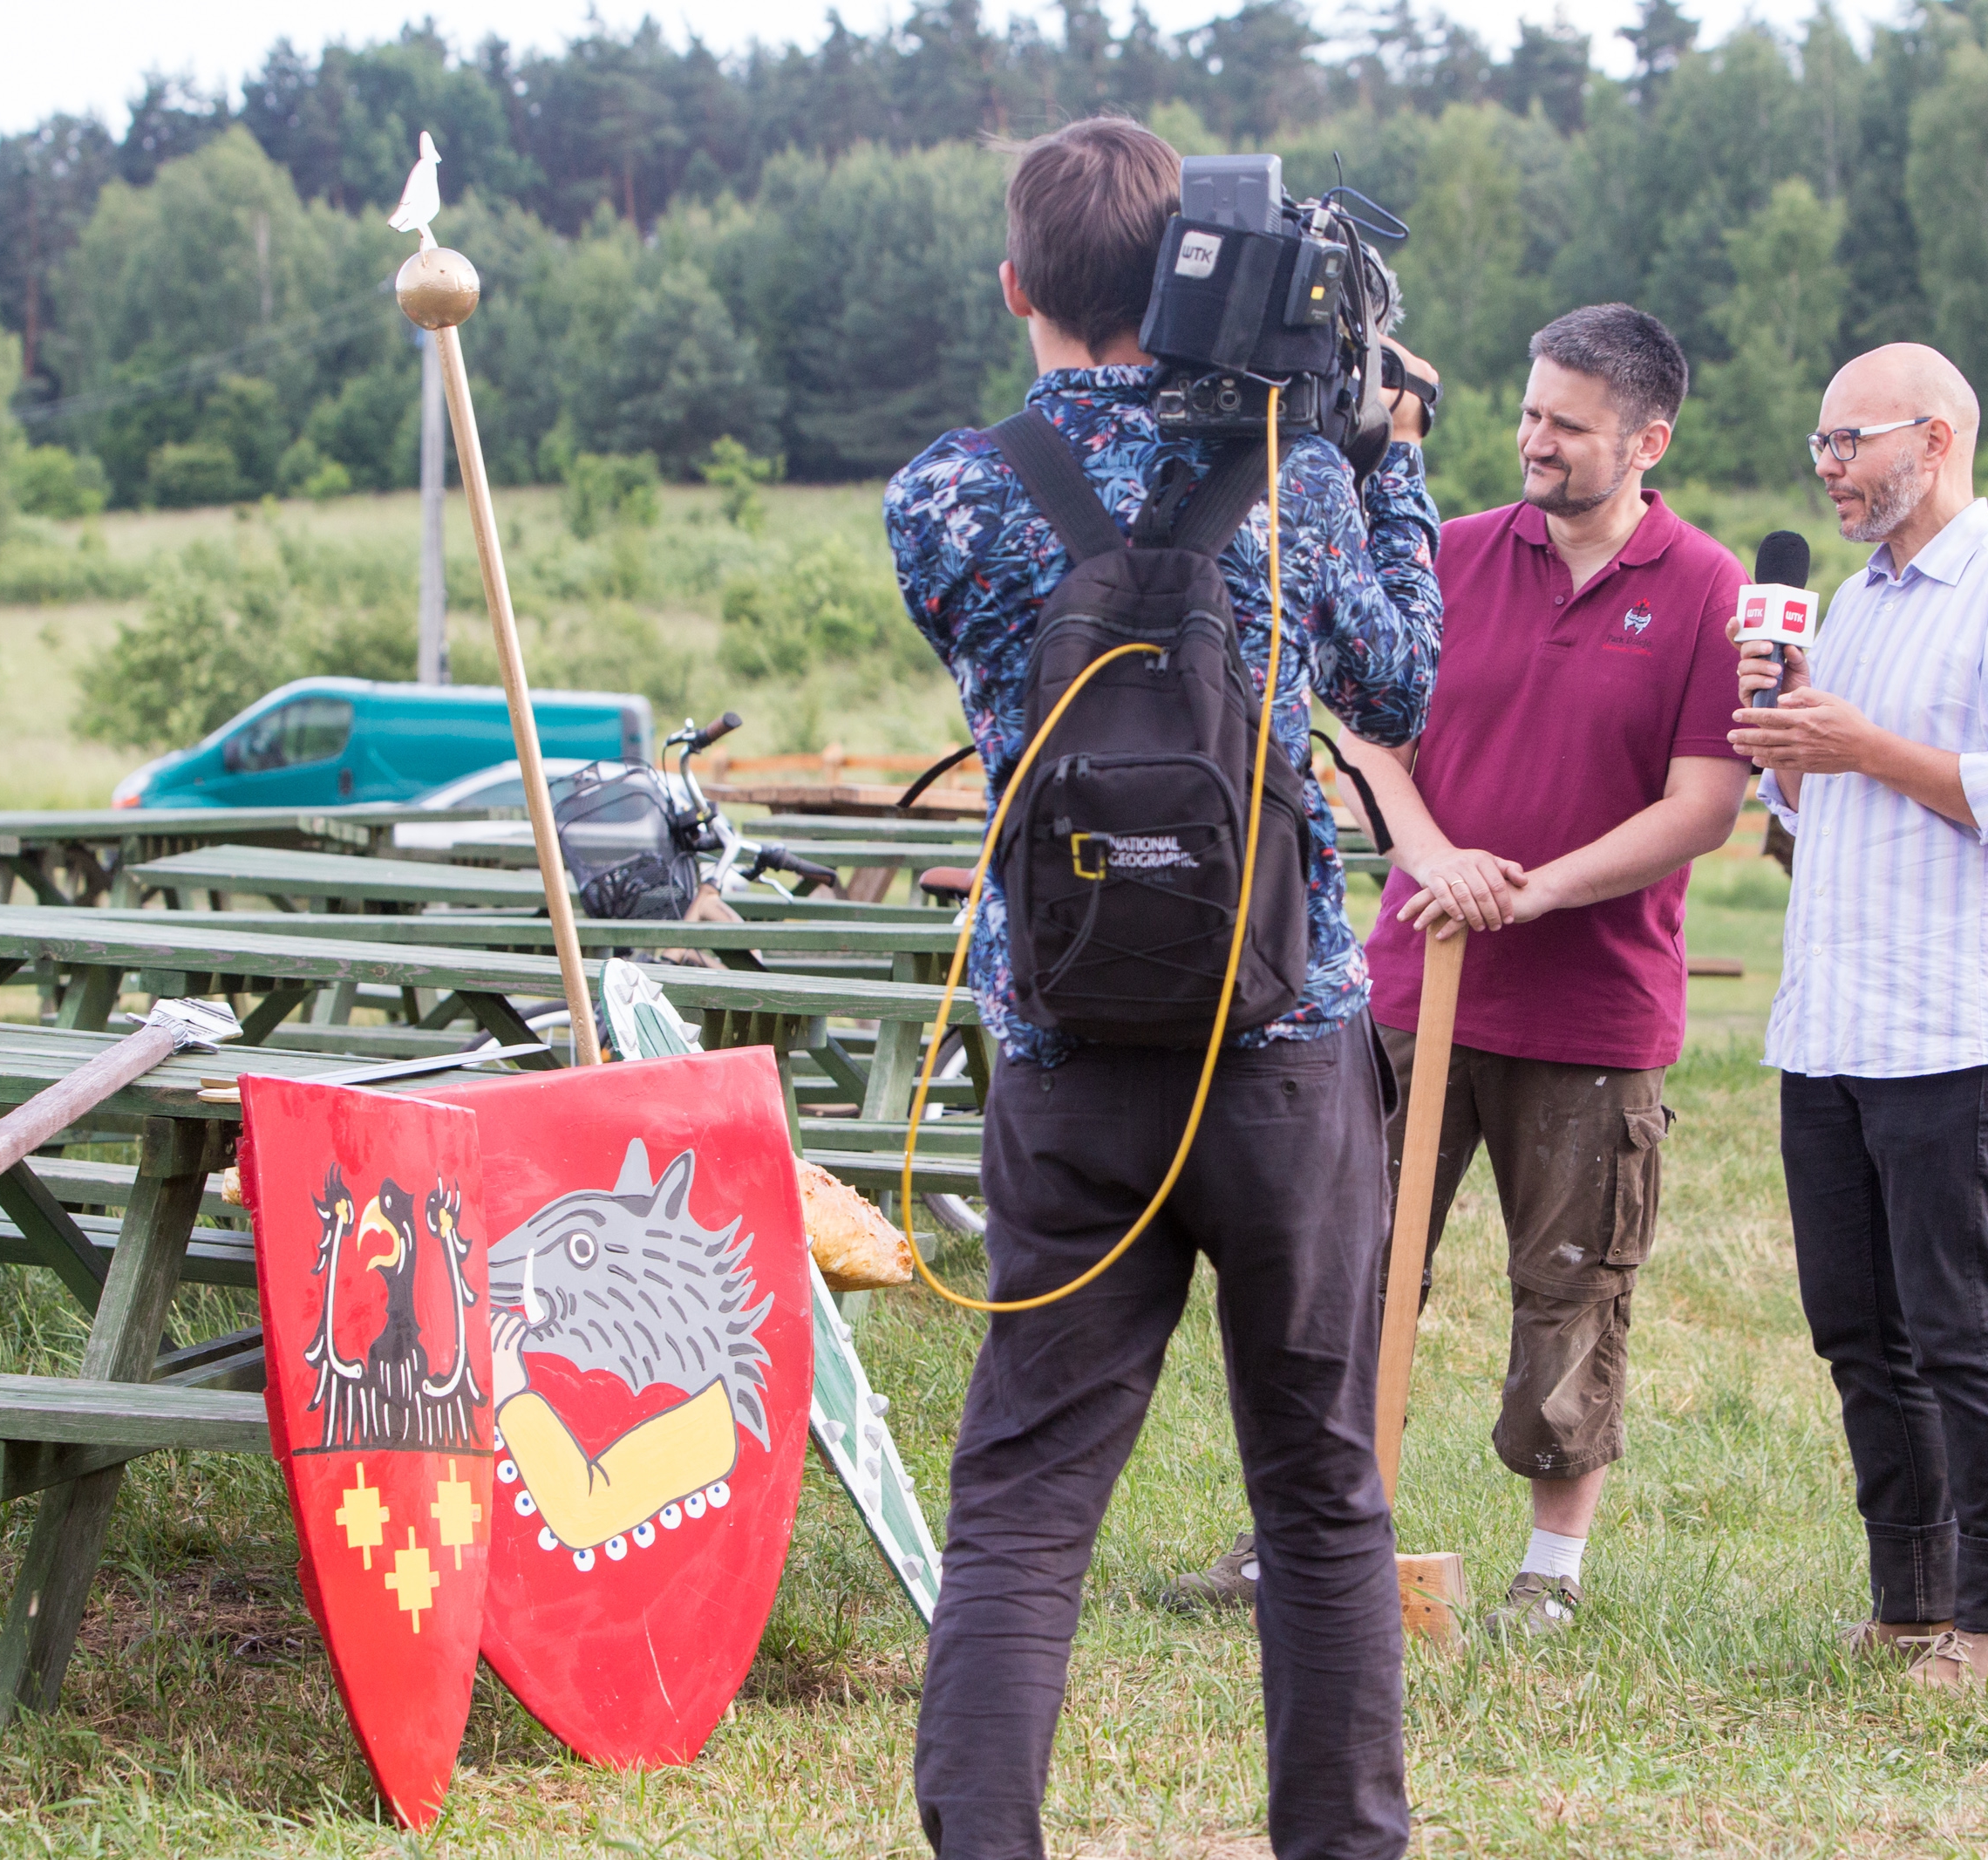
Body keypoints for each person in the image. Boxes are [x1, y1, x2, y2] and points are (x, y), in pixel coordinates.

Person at [883, 117, 1443, 1859]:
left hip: (1061, 1053)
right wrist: (1388, 454)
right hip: (1278, 1054)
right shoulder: (1300, 469)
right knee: (1322, 1491)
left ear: (1018, 286)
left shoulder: (945, 496)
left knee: (1025, 1502)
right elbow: (1401, 683)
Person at [1163, 305, 1752, 1636]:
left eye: (1569, 425)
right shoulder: (1455, 554)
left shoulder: (1706, 587)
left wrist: (1533, 889)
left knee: (1574, 1283)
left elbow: (1703, 804)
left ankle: (1549, 1577)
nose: (1534, 441)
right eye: (1531, 412)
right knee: (1343, 1263)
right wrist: (1436, 857)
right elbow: (1373, 734)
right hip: (1413, 987)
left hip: (1593, 1009)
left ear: (1648, 440)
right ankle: (1298, 1533)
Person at [1727, 344, 1988, 1694]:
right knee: (1857, 1329)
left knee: (1960, 1329)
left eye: (1852, 441)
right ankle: (1908, 1604)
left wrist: (1858, 746)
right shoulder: (1848, 609)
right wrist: (1784, 754)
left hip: (1953, 1022)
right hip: (1830, 1022)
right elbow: (1832, 802)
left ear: (1935, 440)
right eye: (1819, 445)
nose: (1827, 468)